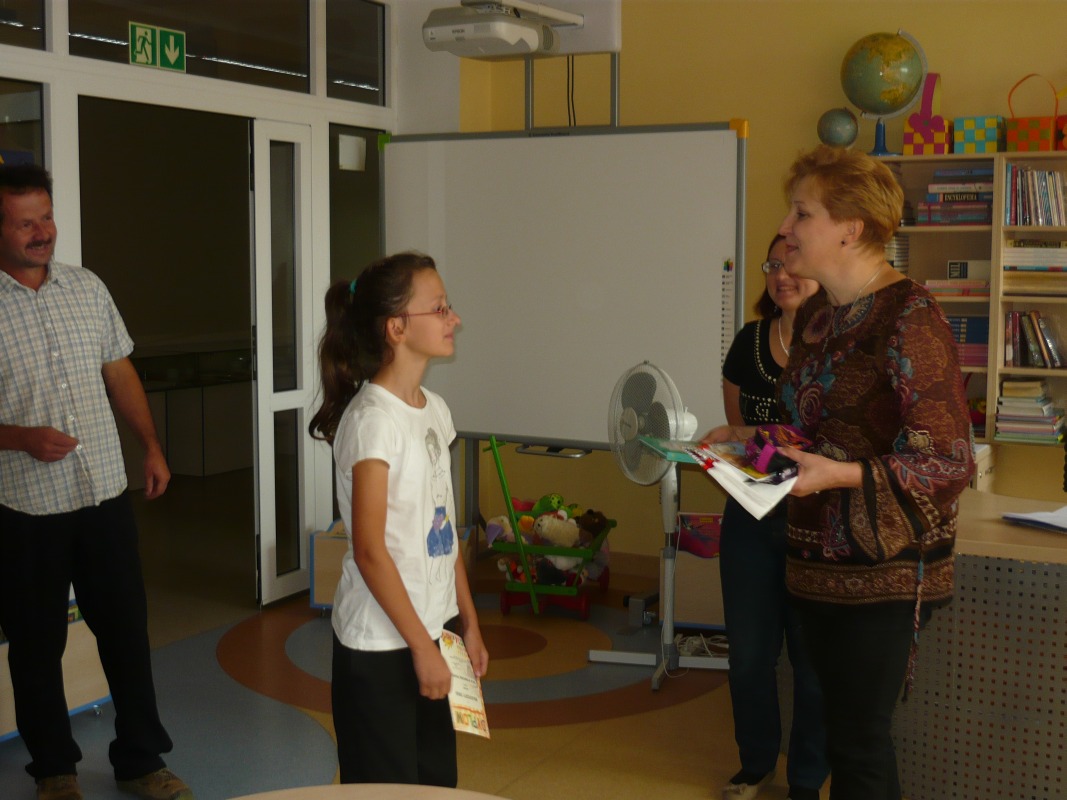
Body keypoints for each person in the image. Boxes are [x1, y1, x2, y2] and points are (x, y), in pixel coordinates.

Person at [773, 145, 975, 800]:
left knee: (859, 747)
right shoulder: (817, 317)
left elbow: (947, 460)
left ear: (849, 228)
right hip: (813, 564)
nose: (785, 228)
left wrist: (839, 477)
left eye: (801, 213)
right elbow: (812, 430)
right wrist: (745, 442)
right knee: (839, 737)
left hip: (883, 568)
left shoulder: (910, 317)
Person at [0, 162, 192, 800]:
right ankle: (55, 769)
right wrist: (20, 438)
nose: (43, 232)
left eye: (47, 217)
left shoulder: (87, 288)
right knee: (36, 646)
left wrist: (151, 447)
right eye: (25, 223)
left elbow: (119, 371)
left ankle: (141, 761)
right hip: (25, 507)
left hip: (104, 494)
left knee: (126, 633)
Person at [309, 252, 488, 787]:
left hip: (432, 633)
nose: (454, 319)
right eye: (440, 309)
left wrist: (467, 623)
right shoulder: (372, 421)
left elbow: (443, 532)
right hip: (382, 646)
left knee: (435, 784)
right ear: (396, 327)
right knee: (384, 789)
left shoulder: (435, 411)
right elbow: (369, 551)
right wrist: (420, 648)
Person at [703, 235, 826, 800]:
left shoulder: (838, 345)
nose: (782, 274)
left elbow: (824, 435)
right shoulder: (748, 342)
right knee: (749, 656)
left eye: (794, 261)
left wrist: (743, 432)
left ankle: (806, 780)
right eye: (774, 263)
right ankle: (755, 765)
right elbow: (741, 443)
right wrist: (725, 445)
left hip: (818, 521)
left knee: (811, 662)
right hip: (751, 516)